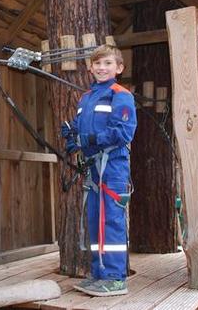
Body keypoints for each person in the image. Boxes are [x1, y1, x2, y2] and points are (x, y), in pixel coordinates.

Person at [62, 44, 137, 297]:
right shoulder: (86, 98)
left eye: (107, 63)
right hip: (93, 168)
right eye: (97, 64)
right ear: (90, 67)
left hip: (113, 166)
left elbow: (123, 132)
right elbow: (77, 128)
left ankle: (116, 279)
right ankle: (99, 275)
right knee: (96, 221)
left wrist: (91, 139)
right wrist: (72, 137)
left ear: (119, 68)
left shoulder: (121, 95)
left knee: (112, 221)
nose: (102, 68)